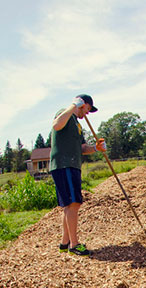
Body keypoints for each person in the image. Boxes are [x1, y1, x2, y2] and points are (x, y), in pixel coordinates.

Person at [50, 94, 106, 256]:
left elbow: (82, 148)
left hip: (73, 164)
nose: (87, 113)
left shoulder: (77, 125)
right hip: (64, 164)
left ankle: (65, 243)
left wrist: (96, 149)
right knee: (73, 203)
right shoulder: (65, 114)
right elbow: (57, 125)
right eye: (88, 109)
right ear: (83, 104)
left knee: (69, 205)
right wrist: (73, 106)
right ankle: (74, 245)